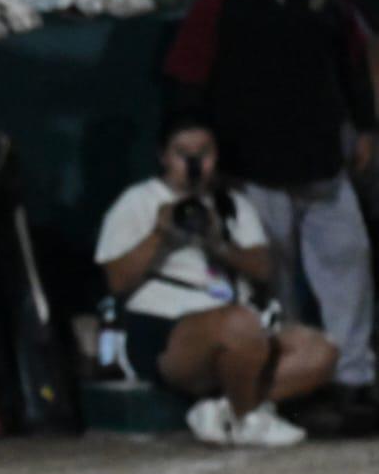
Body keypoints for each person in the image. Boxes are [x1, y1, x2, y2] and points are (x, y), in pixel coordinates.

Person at [163, 0, 377, 432]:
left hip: (323, 167)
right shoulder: (217, 6)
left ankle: (353, 380)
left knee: (348, 265)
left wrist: (365, 126)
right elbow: (186, 80)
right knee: (269, 282)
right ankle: (290, 386)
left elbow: (353, 59)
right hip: (253, 172)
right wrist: (194, 140)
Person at [96, 114, 337, 446]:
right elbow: (117, 282)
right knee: (239, 325)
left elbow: (262, 269)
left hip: (234, 322)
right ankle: (246, 417)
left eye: (204, 153)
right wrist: (160, 235)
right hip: (163, 329)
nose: (194, 164)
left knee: (320, 350)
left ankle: (223, 411)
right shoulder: (137, 201)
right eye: (183, 154)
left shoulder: (232, 204)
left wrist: (217, 242)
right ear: (164, 156)